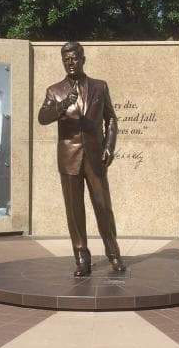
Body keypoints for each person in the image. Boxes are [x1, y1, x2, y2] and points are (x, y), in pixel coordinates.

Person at [37, 41, 124, 276]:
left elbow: (111, 118)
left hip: (96, 158)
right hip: (69, 158)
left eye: (74, 58)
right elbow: (43, 118)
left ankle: (113, 253)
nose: (70, 63)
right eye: (66, 60)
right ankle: (81, 258)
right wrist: (63, 104)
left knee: (103, 206)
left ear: (83, 59)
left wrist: (109, 146)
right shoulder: (54, 91)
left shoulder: (100, 86)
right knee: (74, 211)